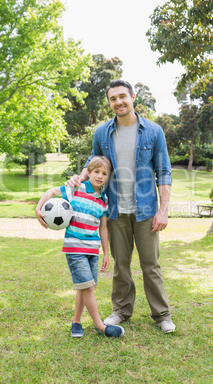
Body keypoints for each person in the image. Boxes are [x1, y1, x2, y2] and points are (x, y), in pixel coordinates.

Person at [68, 80, 176, 334]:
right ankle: (121, 311)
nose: (118, 102)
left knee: (151, 265)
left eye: (122, 97)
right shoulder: (102, 133)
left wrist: (164, 209)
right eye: (113, 99)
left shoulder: (153, 131)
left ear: (133, 97)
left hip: (146, 211)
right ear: (110, 103)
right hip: (114, 210)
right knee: (121, 265)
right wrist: (79, 178)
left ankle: (162, 315)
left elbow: (164, 172)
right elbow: (93, 163)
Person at [35, 156, 125, 338]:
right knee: (88, 288)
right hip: (75, 247)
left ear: (108, 177)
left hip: (92, 249)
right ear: (89, 172)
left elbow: (104, 227)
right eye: (96, 172)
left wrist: (106, 253)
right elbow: (52, 192)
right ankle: (101, 326)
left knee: (84, 287)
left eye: (104, 173)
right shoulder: (76, 188)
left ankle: (76, 322)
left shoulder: (104, 199)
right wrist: (38, 208)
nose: (100, 176)